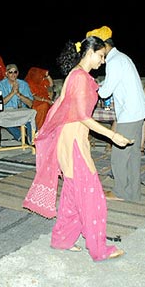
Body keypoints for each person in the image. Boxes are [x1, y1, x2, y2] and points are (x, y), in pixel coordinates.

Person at [23, 36, 132, 261]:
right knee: (94, 198)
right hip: (74, 144)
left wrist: (47, 132)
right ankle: (99, 249)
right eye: (101, 56)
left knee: (73, 195)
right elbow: (83, 116)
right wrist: (113, 135)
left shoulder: (73, 74)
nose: (102, 61)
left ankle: (62, 239)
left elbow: (59, 106)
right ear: (89, 52)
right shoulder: (81, 77)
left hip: (67, 140)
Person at [86, 26, 145, 202]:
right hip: (137, 113)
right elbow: (113, 82)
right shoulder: (122, 58)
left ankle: (120, 192)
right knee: (133, 156)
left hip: (129, 114)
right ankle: (133, 193)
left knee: (119, 156)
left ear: (104, 45)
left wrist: (92, 86)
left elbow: (105, 92)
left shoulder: (114, 62)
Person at [0, 64, 34, 143]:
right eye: (10, 72)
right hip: (7, 112)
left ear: (18, 73)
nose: (13, 74)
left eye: (15, 72)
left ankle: (32, 140)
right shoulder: (0, 85)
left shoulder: (23, 84)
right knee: (1, 119)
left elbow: (30, 104)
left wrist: (19, 94)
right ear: (6, 74)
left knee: (31, 116)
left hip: (21, 111)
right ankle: (21, 137)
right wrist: (12, 93)